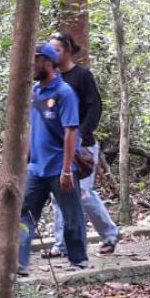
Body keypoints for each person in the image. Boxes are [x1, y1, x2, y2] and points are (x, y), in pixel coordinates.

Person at [43, 31, 120, 258]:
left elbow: (95, 106)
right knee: (59, 194)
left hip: (83, 145)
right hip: (57, 148)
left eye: (56, 49)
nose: (52, 54)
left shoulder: (82, 76)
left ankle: (110, 234)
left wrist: (81, 134)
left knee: (84, 193)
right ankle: (62, 244)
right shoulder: (51, 78)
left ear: (67, 50)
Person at [18, 44, 88, 275]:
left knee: (71, 215)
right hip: (36, 168)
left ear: (47, 62)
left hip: (60, 168)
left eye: (35, 61)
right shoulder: (35, 92)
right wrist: (24, 160)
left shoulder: (64, 93)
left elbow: (71, 132)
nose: (31, 66)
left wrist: (67, 170)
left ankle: (78, 260)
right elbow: (32, 127)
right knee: (25, 214)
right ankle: (21, 262)